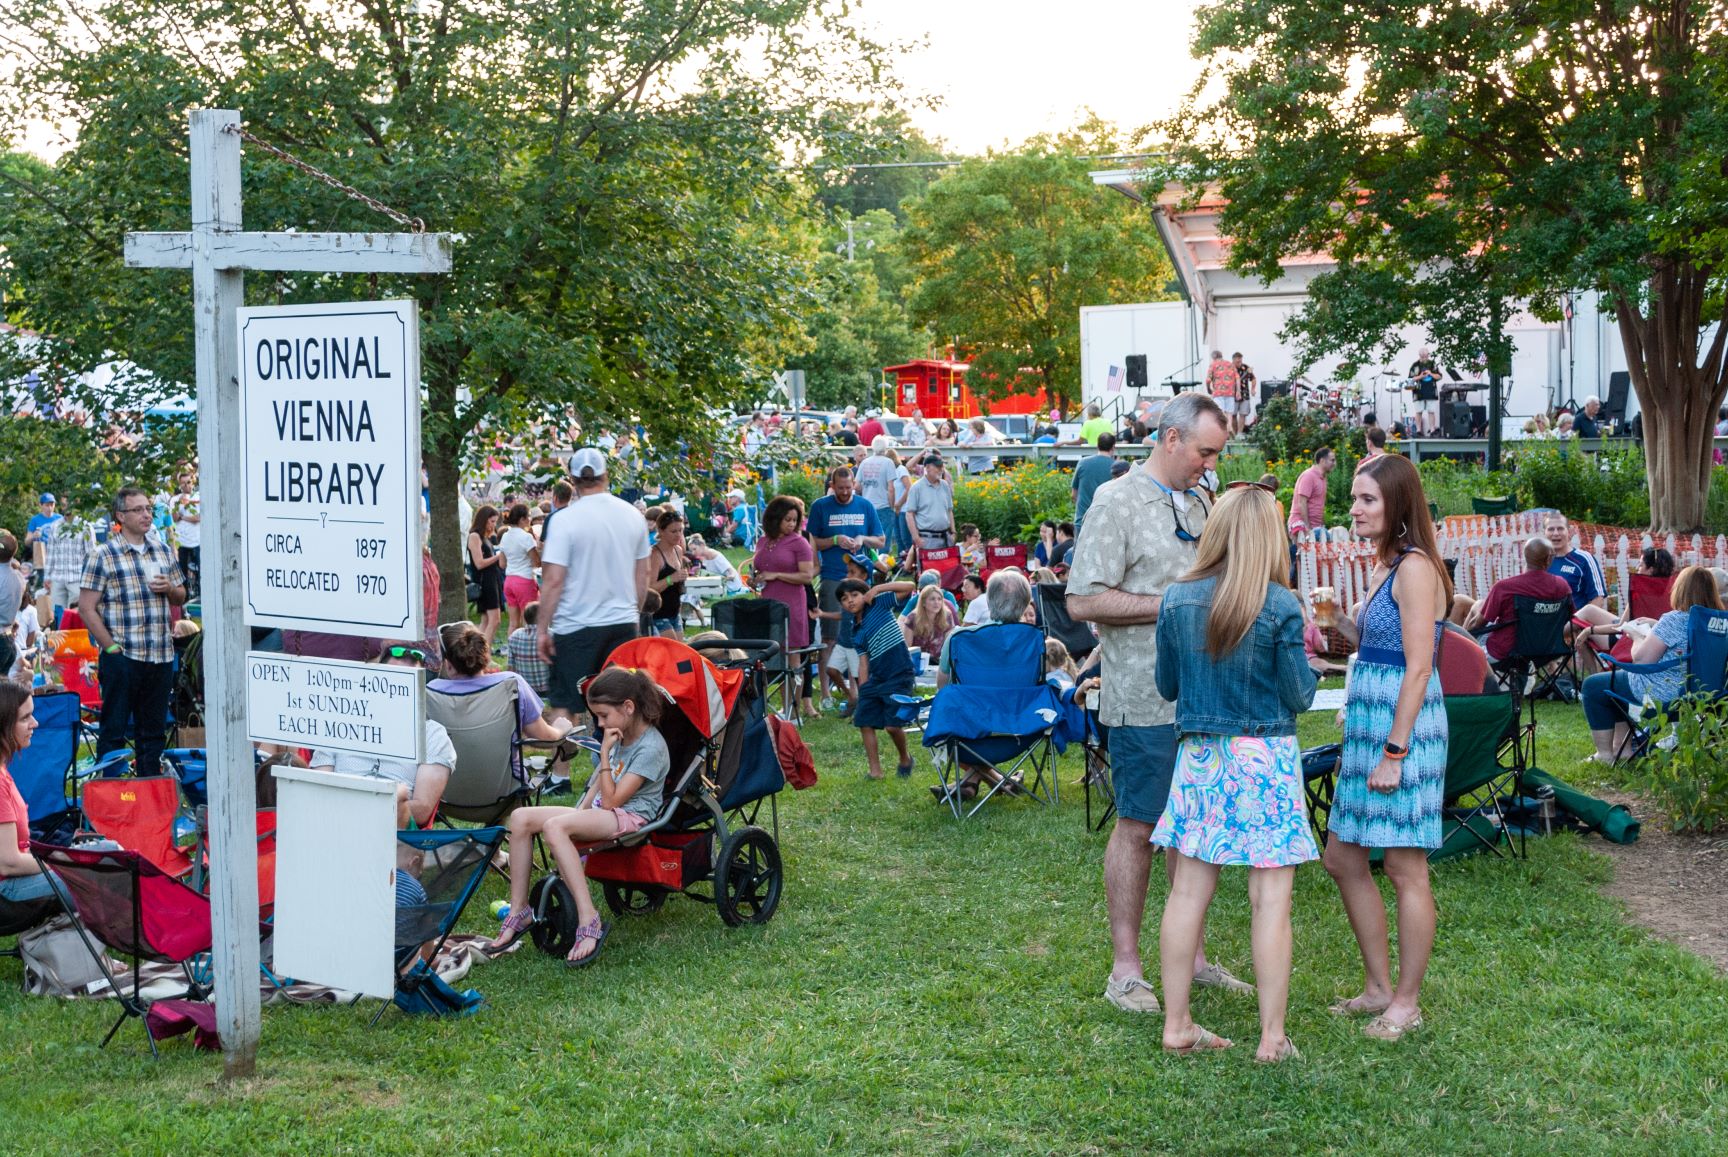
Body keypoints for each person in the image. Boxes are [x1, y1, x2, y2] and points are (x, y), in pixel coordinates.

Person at [1066, 392, 1249, 1014]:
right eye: (1203, 451)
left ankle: (1190, 956)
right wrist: (1171, 604)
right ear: (1169, 439)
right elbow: (1083, 601)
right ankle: (1125, 970)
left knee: (1194, 830)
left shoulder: (1202, 498)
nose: (1209, 464)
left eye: (1215, 454)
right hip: (1144, 697)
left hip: (1205, 698)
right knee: (1140, 828)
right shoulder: (1115, 501)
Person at [1152, 483, 1317, 1060]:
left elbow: (1168, 687)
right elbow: (1300, 695)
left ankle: (1177, 1024)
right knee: (1271, 899)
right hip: (1264, 760)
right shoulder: (1280, 604)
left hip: (1202, 757)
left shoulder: (1177, 598)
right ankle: (1272, 1038)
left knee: (1187, 891)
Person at [1320, 453, 1451, 1042]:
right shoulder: (1384, 566)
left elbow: (1420, 667)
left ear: (1398, 504)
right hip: (1370, 723)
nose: (1355, 508)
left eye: (1368, 499)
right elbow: (1378, 645)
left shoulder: (1417, 568)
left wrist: (1395, 754)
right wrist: (1339, 626)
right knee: (1343, 857)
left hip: (1405, 728)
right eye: (1354, 497)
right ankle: (1376, 987)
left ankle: (1407, 1001)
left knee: (1404, 865)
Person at [487, 667, 670, 966]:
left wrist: (606, 752)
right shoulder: (620, 733)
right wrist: (580, 812)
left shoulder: (651, 747)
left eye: (602, 715)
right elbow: (599, 784)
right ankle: (519, 910)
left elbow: (612, 800)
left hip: (630, 816)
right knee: (520, 817)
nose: (599, 723)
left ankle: (589, 919)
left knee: (555, 828)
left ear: (628, 707)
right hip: (604, 811)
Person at [537, 448, 649, 728]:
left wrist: (541, 629)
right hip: (621, 622)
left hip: (575, 625)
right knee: (619, 700)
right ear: (606, 475)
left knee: (565, 703)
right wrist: (633, 612)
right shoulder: (632, 515)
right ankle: (616, 765)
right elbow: (643, 573)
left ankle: (561, 772)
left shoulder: (563, 520)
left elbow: (552, 580)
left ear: (572, 479)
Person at [80, 487, 187, 777]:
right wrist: (111, 648)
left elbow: (181, 596)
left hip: (160, 655)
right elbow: (86, 607)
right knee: (113, 731)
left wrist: (170, 589)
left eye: (148, 509)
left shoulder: (162, 549)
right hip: (123, 655)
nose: (146, 515)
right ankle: (110, 802)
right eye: (137, 510)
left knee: (152, 734)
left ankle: (149, 798)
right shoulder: (103, 555)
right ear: (120, 516)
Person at [1580, 566, 1722, 764]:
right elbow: (1689, 636)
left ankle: (1604, 755)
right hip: (1705, 696)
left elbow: (1641, 660)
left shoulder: (1674, 619)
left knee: (1594, 685)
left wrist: (1636, 635)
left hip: (1664, 695)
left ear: (1680, 590)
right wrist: (1657, 624)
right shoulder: (1718, 623)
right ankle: (1623, 749)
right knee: (1617, 682)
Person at [311, 643, 458, 827]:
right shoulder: (340, 723)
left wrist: (359, 812)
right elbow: (318, 788)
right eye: (391, 680)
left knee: (399, 795)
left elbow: (422, 810)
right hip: (335, 824)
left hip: (395, 832)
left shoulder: (432, 735)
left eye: (407, 683)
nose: (397, 690)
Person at [836, 576, 919, 779]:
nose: (851, 601)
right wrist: (863, 689)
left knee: (892, 726)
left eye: (855, 595)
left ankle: (905, 758)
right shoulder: (856, 632)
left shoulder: (879, 604)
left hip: (899, 672)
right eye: (845, 599)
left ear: (864, 594)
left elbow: (910, 586)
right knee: (864, 721)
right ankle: (875, 771)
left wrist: (878, 588)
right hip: (877, 677)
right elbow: (863, 663)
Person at [807, 467, 883, 684]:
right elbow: (811, 542)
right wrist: (834, 540)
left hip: (860, 580)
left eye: (849, 488)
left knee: (860, 637)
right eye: (840, 488)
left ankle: (858, 688)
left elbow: (881, 540)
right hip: (832, 576)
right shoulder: (821, 507)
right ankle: (825, 692)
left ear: (854, 485)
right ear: (832, 486)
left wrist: (862, 539)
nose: (845, 492)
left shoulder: (865, 506)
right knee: (831, 637)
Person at [1458, 538, 1573, 661]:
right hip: (1548, 649)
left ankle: (1457, 648)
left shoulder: (1505, 587)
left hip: (1506, 652)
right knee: (1479, 604)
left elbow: (1478, 623)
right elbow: (1570, 616)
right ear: (1549, 559)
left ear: (1525, 557)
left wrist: (1464, 631)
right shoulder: (1562, 586)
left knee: (1477, 610)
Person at [0, 684, 56, 913]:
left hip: (14, 881)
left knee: (106, 853)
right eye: (25, 718)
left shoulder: (3, 770)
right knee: (93, 882)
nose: (35, 723)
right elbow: (8, 862)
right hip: (8, 891)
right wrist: (60, 866)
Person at [752, 495, 816, 654]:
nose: (792, 524)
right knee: (769, 651)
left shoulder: (800, 543)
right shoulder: (762, 541)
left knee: (790, 652)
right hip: (767, 601)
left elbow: (807, 576)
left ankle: (794, 679)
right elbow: (760, 569)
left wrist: (777, 575)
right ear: (775, 518)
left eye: (795, 520)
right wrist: (755, 580)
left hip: (791, 603)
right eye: (787, 519)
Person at [497, 502, 541, 639]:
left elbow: (502, 564)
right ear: (522, 519)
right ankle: (528, 650)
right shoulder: (526, 537)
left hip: (509, 581)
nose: (530, 519)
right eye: (528, 517)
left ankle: (512, 650)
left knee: (513, 623)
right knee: (529, 621)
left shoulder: (505, 536)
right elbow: (536, 562)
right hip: (525, 581)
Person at [467, 505, 505, 648]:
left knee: (486, 620)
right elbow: (479, 563)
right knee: (494, 620)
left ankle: (477, 651)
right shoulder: (474, 536)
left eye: (495, 522)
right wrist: (498, 556)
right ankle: (484, 653)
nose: (493, 525)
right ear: (484, 520)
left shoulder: (485, 537)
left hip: (492, 579)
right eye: (492, 521)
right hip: (485, 581)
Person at [647, 510, 689, 639]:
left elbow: (678, 580)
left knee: (680, 652)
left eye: (680, 530)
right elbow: (649, 589)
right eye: (673, 531)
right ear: (661, 531)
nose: (678, 535)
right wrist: (671, 579)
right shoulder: (654, 554)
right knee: (672, 652)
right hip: (658, 613)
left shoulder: (678, 550)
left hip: (674, 611)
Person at [902, 452, 955, 554]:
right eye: (937, 467)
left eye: (942, 467)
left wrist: (953, 532)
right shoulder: (917, 487)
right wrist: (916, 537)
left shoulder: (944, 485)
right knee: (929, 569)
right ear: (927, 467)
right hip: (927, 539)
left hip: (946, 538)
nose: (941, 469)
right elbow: (909, 514)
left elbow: (949, 510)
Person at [856, 438, 901, 554]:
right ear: (885, 449)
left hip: (867, 507)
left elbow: (857, 486)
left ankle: (868, 564)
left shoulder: (864, 462)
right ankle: (882, 567)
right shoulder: (888, 462)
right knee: (884, 541)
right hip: (883, 506)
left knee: (868, 539)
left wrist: (864, 493)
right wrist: (892, 506)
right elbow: (891, 488)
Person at [1072, 432, 1118, 533]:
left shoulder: (1083, 463)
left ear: (1097, 445)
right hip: (1106, 522)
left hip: (1082, 520)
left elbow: (1074, 494)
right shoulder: (1116, 467)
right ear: (1113, 447)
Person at [901, 583, 958, 662]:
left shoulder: (947, 616)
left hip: (939, 662)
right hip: (917, 662)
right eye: (932, 599)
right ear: (923, 602)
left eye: (939, 599)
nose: (936, 602)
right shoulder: (912, 618)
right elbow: (907, 649)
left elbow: (948, 646)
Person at [1288, 447, 1335, 542]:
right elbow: (1302, 502)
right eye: (1332, 460)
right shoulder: (1309, 476)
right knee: (1303, 555)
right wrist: (1307, 527)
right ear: (1322, 461)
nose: (1334, 464)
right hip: (1301, 525)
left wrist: (1321, 524)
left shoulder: (1322, 478)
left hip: (1315, 527)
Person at [508, 601, 551, 697]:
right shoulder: (551, 636)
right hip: (550, 689)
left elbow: (511, 668)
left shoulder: (514, 636)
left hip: (525, 689)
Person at [169, 473, 201, 599]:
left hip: (197, 540)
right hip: (182, 541)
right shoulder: (175, 499)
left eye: (188, 482)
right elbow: (175, 518)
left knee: (201, 573)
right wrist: (179, 504)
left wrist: (183, 516)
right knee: (182, 575)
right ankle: (184, 601)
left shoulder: (199, 496)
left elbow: (197, 518)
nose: (186, 485)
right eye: (183, 483)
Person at [1206, 350, 1241, 435]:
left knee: (1220, 412)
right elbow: (1237, 378)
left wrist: (1209, 389)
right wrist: (1238, 391)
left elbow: (1208, 380)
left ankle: (1224, 431)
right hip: (1230, 392)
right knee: (1229, 413)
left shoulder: (1213, 365)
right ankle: (1229, 428)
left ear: (1213, 358)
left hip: (1218, 393)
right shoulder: (1230, 364)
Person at [1408, 348, 1440, 436]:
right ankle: (1418, 430)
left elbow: (1439, 376)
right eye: (1423, 357)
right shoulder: (1415, 365)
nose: (1425, 358)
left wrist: (1431, 373)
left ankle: (1432, 430)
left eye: (1426, 356)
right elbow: (1410, 379)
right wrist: (1420, 377)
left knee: (1431, 411)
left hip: (1431, 391)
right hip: (1418, 391)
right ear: (1420, 356)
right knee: (1418, 411)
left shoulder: (1432, 364)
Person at [1232, 352, 1257, 426]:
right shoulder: (1229, 368)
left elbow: (1253, 379)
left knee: (1243, 414)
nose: (1240, 363)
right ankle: (1234, 434)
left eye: (1241, 361)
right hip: (1232, 395)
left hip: (1245, 394)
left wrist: (1253, 389)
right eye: (1238, 362)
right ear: (1233, 360)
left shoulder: (1245, 367)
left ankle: (1239, 434)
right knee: (1233, 415)